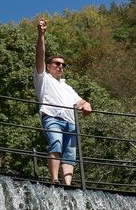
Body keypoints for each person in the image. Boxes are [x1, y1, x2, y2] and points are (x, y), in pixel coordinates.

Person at [34, 18, 92, 185]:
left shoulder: (67, 86)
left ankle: (67, 185)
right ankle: (54, 180)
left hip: (71, 122)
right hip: (52, 117)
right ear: (48, 66)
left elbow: (80, 101)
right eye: (57, 63)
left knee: (70, 154)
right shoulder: (42, 78)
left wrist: (86, 105)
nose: (60, 66)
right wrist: (41, 35)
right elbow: (40, 56)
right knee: (56, 143)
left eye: (63, 65)